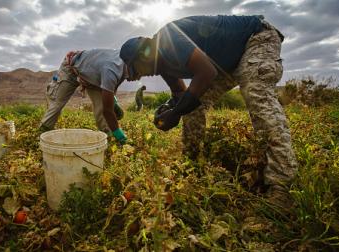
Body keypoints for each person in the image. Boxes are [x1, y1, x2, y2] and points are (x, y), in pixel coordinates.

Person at [119, 15, 297, 207]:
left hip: (256, 39)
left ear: (143, 54)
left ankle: (282, 184)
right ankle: (192, 164)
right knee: (193, 107)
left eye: (135, 68)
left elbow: (206, 73)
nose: (138, 75)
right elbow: (182, 95)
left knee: (257, 95)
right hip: (226, 63)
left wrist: (177, 111)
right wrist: (169, 110)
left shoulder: (168, 38)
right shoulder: (163, 65)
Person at [39, 49, 128, 144]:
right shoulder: (113, 66)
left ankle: (107, 140)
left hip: (92, 79)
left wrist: (113, 101)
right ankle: (43, 134)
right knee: (56, 104)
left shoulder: (125, 67)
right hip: (71, 69)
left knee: (101, 107)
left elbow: (110, 87)